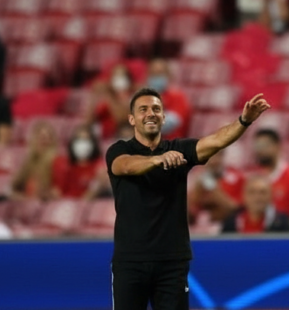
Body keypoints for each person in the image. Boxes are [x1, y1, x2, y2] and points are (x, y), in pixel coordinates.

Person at [107, 89, 271, 310]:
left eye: (156, 109)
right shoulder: (119, 150)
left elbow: (215, 141)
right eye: (143, 109)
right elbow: (125, 166)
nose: (150, 113)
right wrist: (157, 160)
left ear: (163, 117)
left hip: (172, 262)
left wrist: (243, 121)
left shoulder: (178, 150)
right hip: (130, 262)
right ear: (132, 119)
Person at [222, 174, 289, 234]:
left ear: (271, 196)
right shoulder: (231, 223)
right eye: (252, 192)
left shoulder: (282, 223)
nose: (257, 197)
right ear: (244, 196)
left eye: (263, 192)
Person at [52, 126, 110, 199]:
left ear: (93, 143)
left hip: (91, 204)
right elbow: (58, 192)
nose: (82, 144)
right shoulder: (65, 165)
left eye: (86, 140)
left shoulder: (98, 166)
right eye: (79, 139)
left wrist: (97, 185)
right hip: (67, 202)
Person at [144, 58, 191, 141]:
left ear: (168, 75)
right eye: (153, 74)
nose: (156, 77)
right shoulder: (144, 97)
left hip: (172, 144)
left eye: (159, 74)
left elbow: (169, 124)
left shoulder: (177, 96)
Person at [188, 154, 245, 223]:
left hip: (226, 224)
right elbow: (190, 208)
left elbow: (233, 208)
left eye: (217, 156)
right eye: (209, 157)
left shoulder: (236, 177)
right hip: (199, 224)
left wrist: (210, 185)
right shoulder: (195, 175)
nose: (213, 161)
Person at [12, 120, 60, 200]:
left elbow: (56, 193)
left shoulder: (57, 163)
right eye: (40, 137)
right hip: (25, 203)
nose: (44, 141)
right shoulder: (28, 162)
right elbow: (13, 187)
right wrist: (21, 198)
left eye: (47, 138)